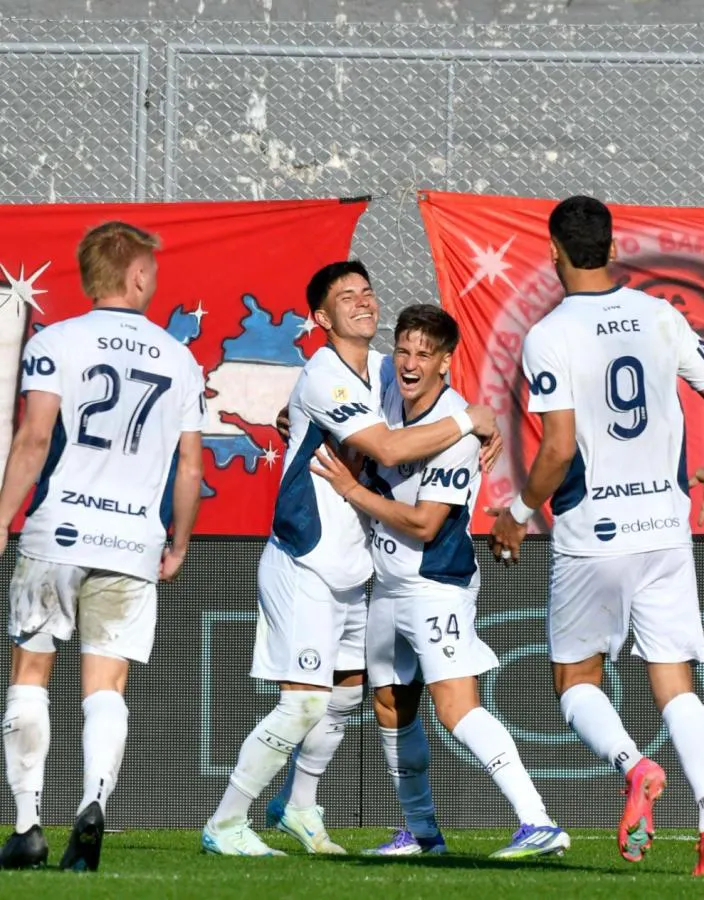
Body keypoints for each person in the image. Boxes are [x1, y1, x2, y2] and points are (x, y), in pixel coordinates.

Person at [202, 262, 501, 857]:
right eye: (346, 297)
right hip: (305, 560)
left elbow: (430, 386)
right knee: (304, 702)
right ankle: (225, 822)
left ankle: (299, 806)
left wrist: (482, 422)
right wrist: (469, 421)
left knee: (343, 695)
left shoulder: (384, 368)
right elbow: (388, 446)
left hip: (352, 566)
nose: (363, 302)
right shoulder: (325, 376)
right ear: (321, 317)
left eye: (367, 291)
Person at [487, 195, 704, 876]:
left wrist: (518, 512)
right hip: (665, 530)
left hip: (594, 532)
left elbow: (557, 447)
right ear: (611, 246)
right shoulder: (661, 315)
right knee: (675, 680)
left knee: (574, 678)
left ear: (553, 250)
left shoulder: (551, 333)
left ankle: (634, 766)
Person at [311, 303, 570, 859]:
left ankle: (539, 821)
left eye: (424, 355)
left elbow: (426, 524)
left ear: (445, 362)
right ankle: (422, 832)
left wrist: (353, 492)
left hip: (435, 584)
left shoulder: (455, 430)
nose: (409, 363)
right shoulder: (386, 389)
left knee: (455, 707)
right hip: (388, 584)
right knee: (390, 703)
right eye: (403, 350)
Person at [0, 221, 206, 872]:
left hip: (57, 532)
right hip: (132, 539)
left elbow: (34, 438)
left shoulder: (56, 340)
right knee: (107, 685)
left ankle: (27, 826)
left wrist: (1, 518)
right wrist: (179, 542)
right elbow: (191, 466)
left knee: (31, 672)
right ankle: (93, 804)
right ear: (137, 275)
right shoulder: (179, 358)